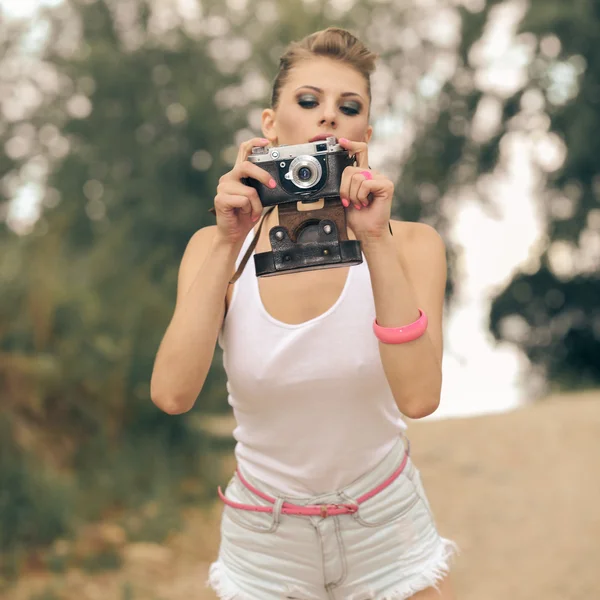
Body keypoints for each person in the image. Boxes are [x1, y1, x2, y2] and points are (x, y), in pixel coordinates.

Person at [151, 27, 457, 600]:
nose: (328, 120)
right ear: (270, 126)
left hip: (385, 528)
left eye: (348, 108)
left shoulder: (411, 245)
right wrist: (226, 244)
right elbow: (172, 394)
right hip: (264, 540)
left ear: (365, 135)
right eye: (308, 101)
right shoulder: (214, 248)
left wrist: (374, 239)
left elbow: (419, 399)